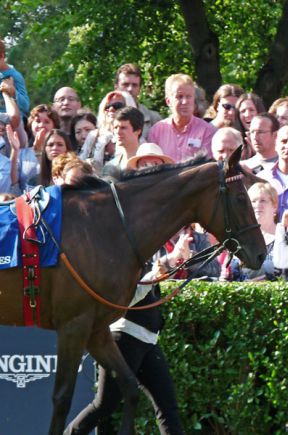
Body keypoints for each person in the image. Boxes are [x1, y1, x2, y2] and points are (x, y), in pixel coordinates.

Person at [66, 146, 199, 435]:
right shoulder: (125, 226)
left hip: (147, 337)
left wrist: (168, 263)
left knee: (167, 409)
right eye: (146, 163)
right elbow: (127, 291)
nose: (152, 167)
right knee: (104, 407)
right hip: (124, 336)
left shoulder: (149, 224)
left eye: (157, 163)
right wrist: (165, 264)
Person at [148, 74, 215, 162]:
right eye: (179, 97)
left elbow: (208, 167)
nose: (185, 102)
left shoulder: (207, 131)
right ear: (168, 101)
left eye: (189, 96)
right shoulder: (157, 131)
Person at [78, 90, 137, 172]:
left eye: (117, 106)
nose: (111, 109)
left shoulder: (137, 137)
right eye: (107, 107)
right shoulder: (94, 136)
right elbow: (79, 163)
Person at [114, 63, 162, 140]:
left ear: (139, 89)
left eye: (134, 85)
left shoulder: (154, 119)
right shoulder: (106, 118)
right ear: (116, 87)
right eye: (125, 84)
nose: (130, 89)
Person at [103, 107, 144, 173]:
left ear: (138, 130)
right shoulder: (110, 167)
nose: (118, 132)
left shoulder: (150, 163)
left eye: (123, 128)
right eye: (115, 128)